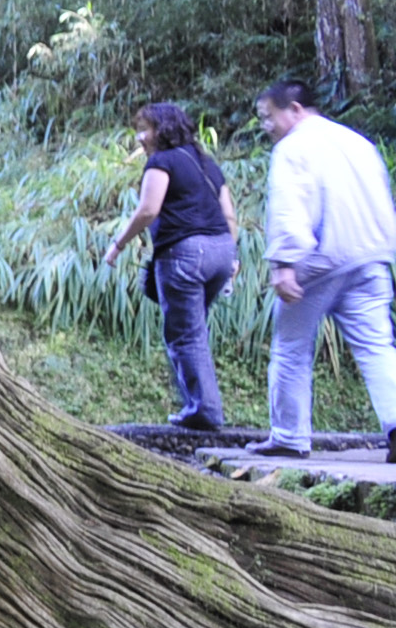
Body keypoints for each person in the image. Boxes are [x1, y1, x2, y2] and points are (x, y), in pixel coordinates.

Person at [251, 80, 396, 460]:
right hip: (371, 257)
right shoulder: (357, 143)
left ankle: (289, 437)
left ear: (295, 109)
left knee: (291, 348)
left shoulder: (294, 147)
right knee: (377, 347)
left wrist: (284, 264)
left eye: (270, 116)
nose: (267, 125)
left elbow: (289, 204)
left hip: (319, 262)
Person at [99, 100, 240, 432]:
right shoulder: (208, 165)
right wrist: (232, 258)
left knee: (184, 335)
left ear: (161, 130)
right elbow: (230, 216)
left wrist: (117, 245)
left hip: (185, 254)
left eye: (144, 129)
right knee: (194, 330)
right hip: (220, 251)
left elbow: (148, 210)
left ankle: (204, 410)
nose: (138, 137)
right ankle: (203, 405)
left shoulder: (161, 162)